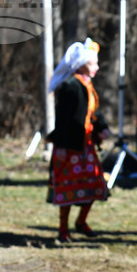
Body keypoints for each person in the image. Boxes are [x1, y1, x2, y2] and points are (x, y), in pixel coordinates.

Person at [46, 38, 110, 244]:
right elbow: (64, 119)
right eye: (93, 64)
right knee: (68, 189)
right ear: (81, 64)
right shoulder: (70, 86)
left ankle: (81, 222)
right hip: (70, 146)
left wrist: (102, 128)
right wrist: (62, 145)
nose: (97, 68)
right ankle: (63, 229)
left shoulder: (87, 85)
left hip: (86, 145)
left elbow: (92, 113)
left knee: (95, 185)